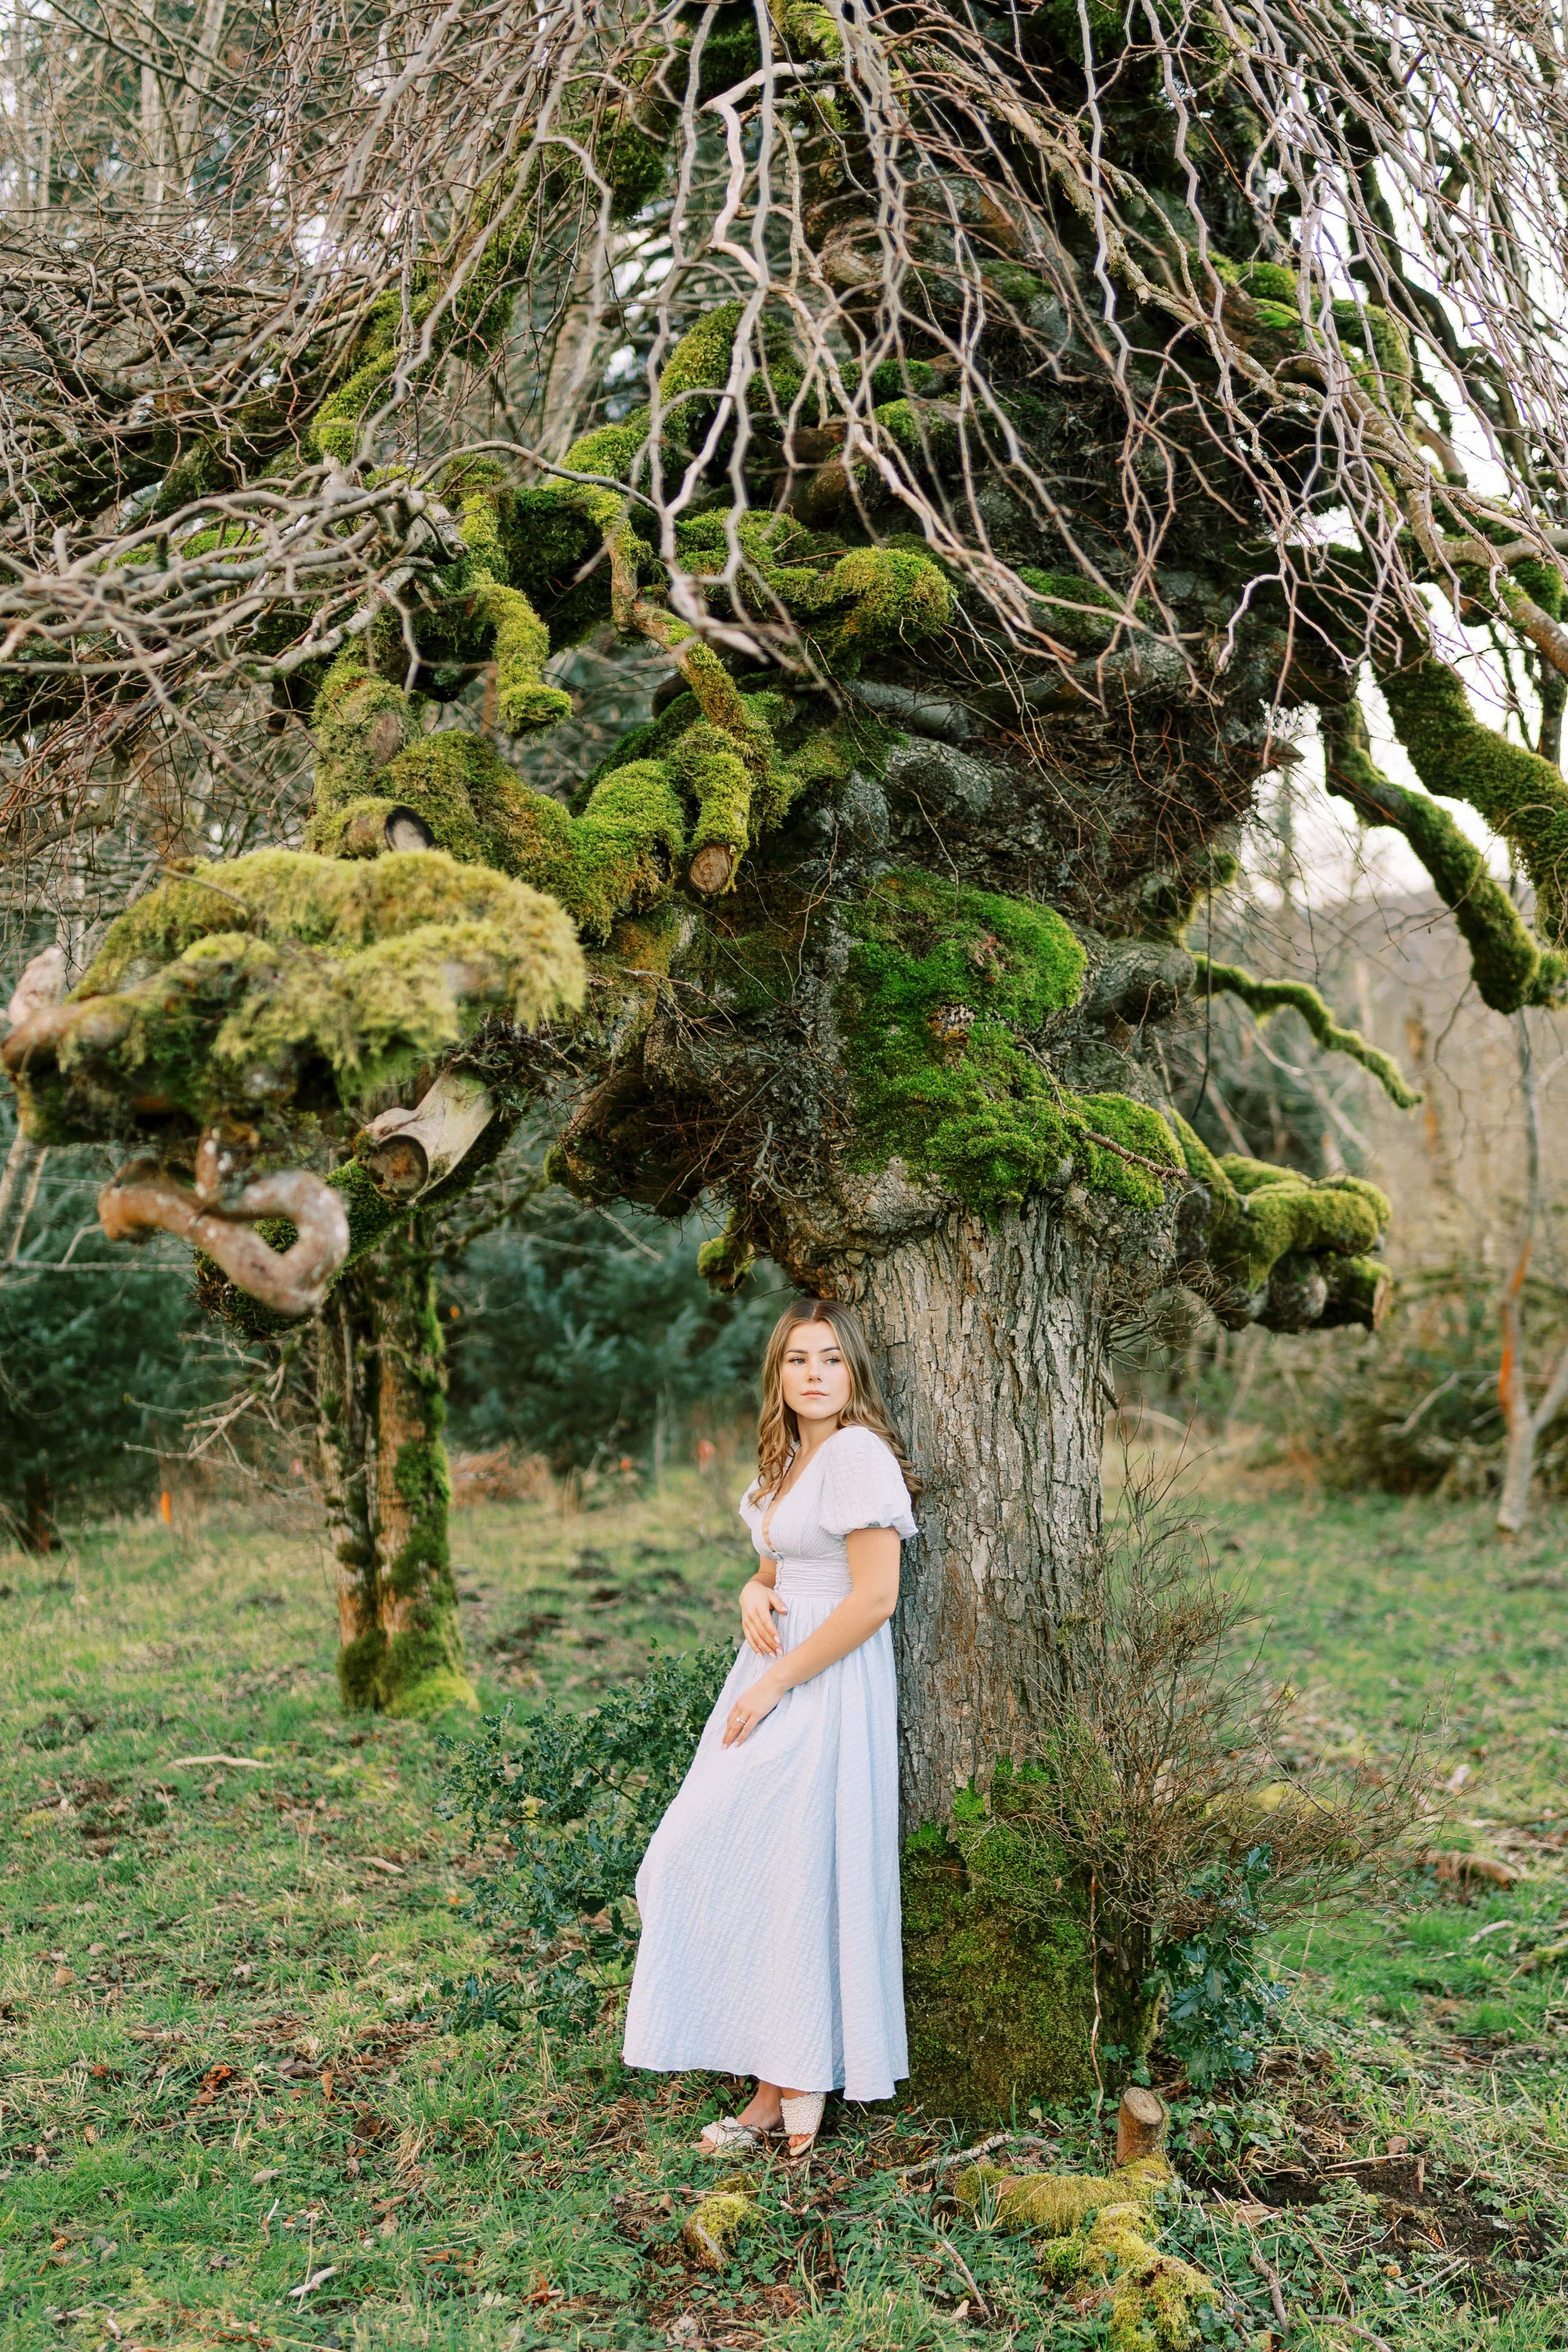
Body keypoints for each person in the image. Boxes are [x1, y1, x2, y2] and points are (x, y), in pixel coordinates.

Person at [622, 1295, 919, 2158]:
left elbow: (875, 1598)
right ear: (777, 1373)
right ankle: (774, 2078)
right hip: (768, 1673)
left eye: (830, 1358)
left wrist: (778, 1683)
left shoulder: (857, 1454)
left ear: (853, 1370)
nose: (814, 1374)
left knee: (795, 1874)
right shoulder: (786, 1457)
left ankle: (796, 2082)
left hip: (824, 1683)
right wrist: (751, 1592)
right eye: (797, 1359)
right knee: (721, 1866)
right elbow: (774, 1567)